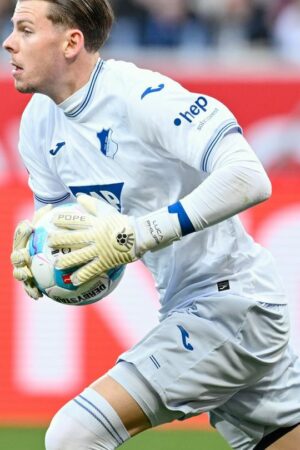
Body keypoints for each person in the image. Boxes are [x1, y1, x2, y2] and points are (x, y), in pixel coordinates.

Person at [3, 1, 300, 449]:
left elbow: (249, 176)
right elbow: (75, 242)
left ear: (71, 42)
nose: (9, 42)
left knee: (72, 436)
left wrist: (137, 236)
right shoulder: (38, 126)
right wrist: (48, 266)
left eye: (25, 29)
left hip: (233, 307)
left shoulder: (140, 96)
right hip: (189, 305)